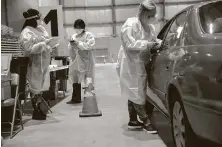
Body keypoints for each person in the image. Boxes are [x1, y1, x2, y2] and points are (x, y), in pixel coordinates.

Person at [119, 0, 162, 133]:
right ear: (143, 13)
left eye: (153, 15)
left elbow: (153, 40)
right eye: (150, 15)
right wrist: (146, 44)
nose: (152, 18)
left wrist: (157, 43)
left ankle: (133, 120)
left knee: (135, 92)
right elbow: (129, 44)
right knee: (136, 91)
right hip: (130, 63)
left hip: (142, 63)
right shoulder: (130, 24)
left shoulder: (150, 27)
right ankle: (146, 121)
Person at [20, 8, 53, 120]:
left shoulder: (39, 29)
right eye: (39, 18)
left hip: (43, 64)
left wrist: (49, 44)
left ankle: (40, 109)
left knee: (41, 87)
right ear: (33, 19)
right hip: (34, 64)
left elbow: (46, 41)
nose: (40, 20)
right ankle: (36, 110)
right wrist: (44, 44)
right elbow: (29, 49)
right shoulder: (26, 32)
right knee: (35, 88)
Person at [67, 19, 95, 104]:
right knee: (75, 78)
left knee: (88, 78)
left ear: (83, 27)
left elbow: (89, 46)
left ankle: (89, 97)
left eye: (79, 28)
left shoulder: (88, 35)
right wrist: (72, 45)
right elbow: (70, 48)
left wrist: (78, 44)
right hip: (76, 60)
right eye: (76, 28)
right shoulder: (74, 36)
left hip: (86, 60)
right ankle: (76, 98)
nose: (77, 29)